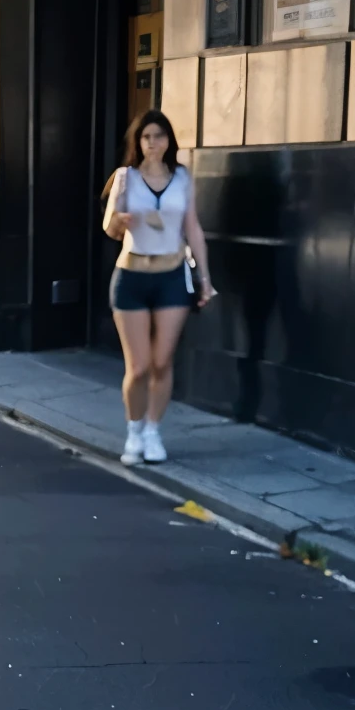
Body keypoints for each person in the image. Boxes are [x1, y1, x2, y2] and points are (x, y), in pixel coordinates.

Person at [103, 108, 215, 465]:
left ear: (169, 140)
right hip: (132, 276)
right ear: (138, 142)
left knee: (162, 362)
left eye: (160, 135)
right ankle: (134, 431)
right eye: (147, 136)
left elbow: (193, 229)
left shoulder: (182, 177)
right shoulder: (126, 177)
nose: (154, 143)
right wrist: (120, 219)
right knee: (138, 367)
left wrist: (205, 280)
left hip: (171, 275)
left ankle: (153, 431)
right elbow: (110, 228)